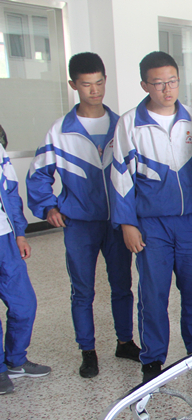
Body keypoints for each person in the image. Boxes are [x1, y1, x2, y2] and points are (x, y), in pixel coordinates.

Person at [27, 52, 137, 379]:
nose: (95, 90)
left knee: (122, 286)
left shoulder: (121, 125)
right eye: (87, 84)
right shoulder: (61, 131)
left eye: (99, 83)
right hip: (79, 224)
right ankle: (87, 351)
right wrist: (48, 206)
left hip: (117, 222)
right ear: (74, 85)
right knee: (82, 290)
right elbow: (38, 174)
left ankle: (125, 342)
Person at [110, 51, 192, 383]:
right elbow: (120, 177)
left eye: (172, 81)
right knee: (154, 293)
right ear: (145, 85)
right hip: (151, 224)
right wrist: (127, 223)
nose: (167, 89)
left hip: (191, 221)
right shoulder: (130, 124)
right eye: (158, 83)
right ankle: (153, 357)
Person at [0, 145, 50, 394]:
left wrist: (20, 233)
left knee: (24, 304)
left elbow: (10, 191)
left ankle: (16, 360)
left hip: (5, 238)